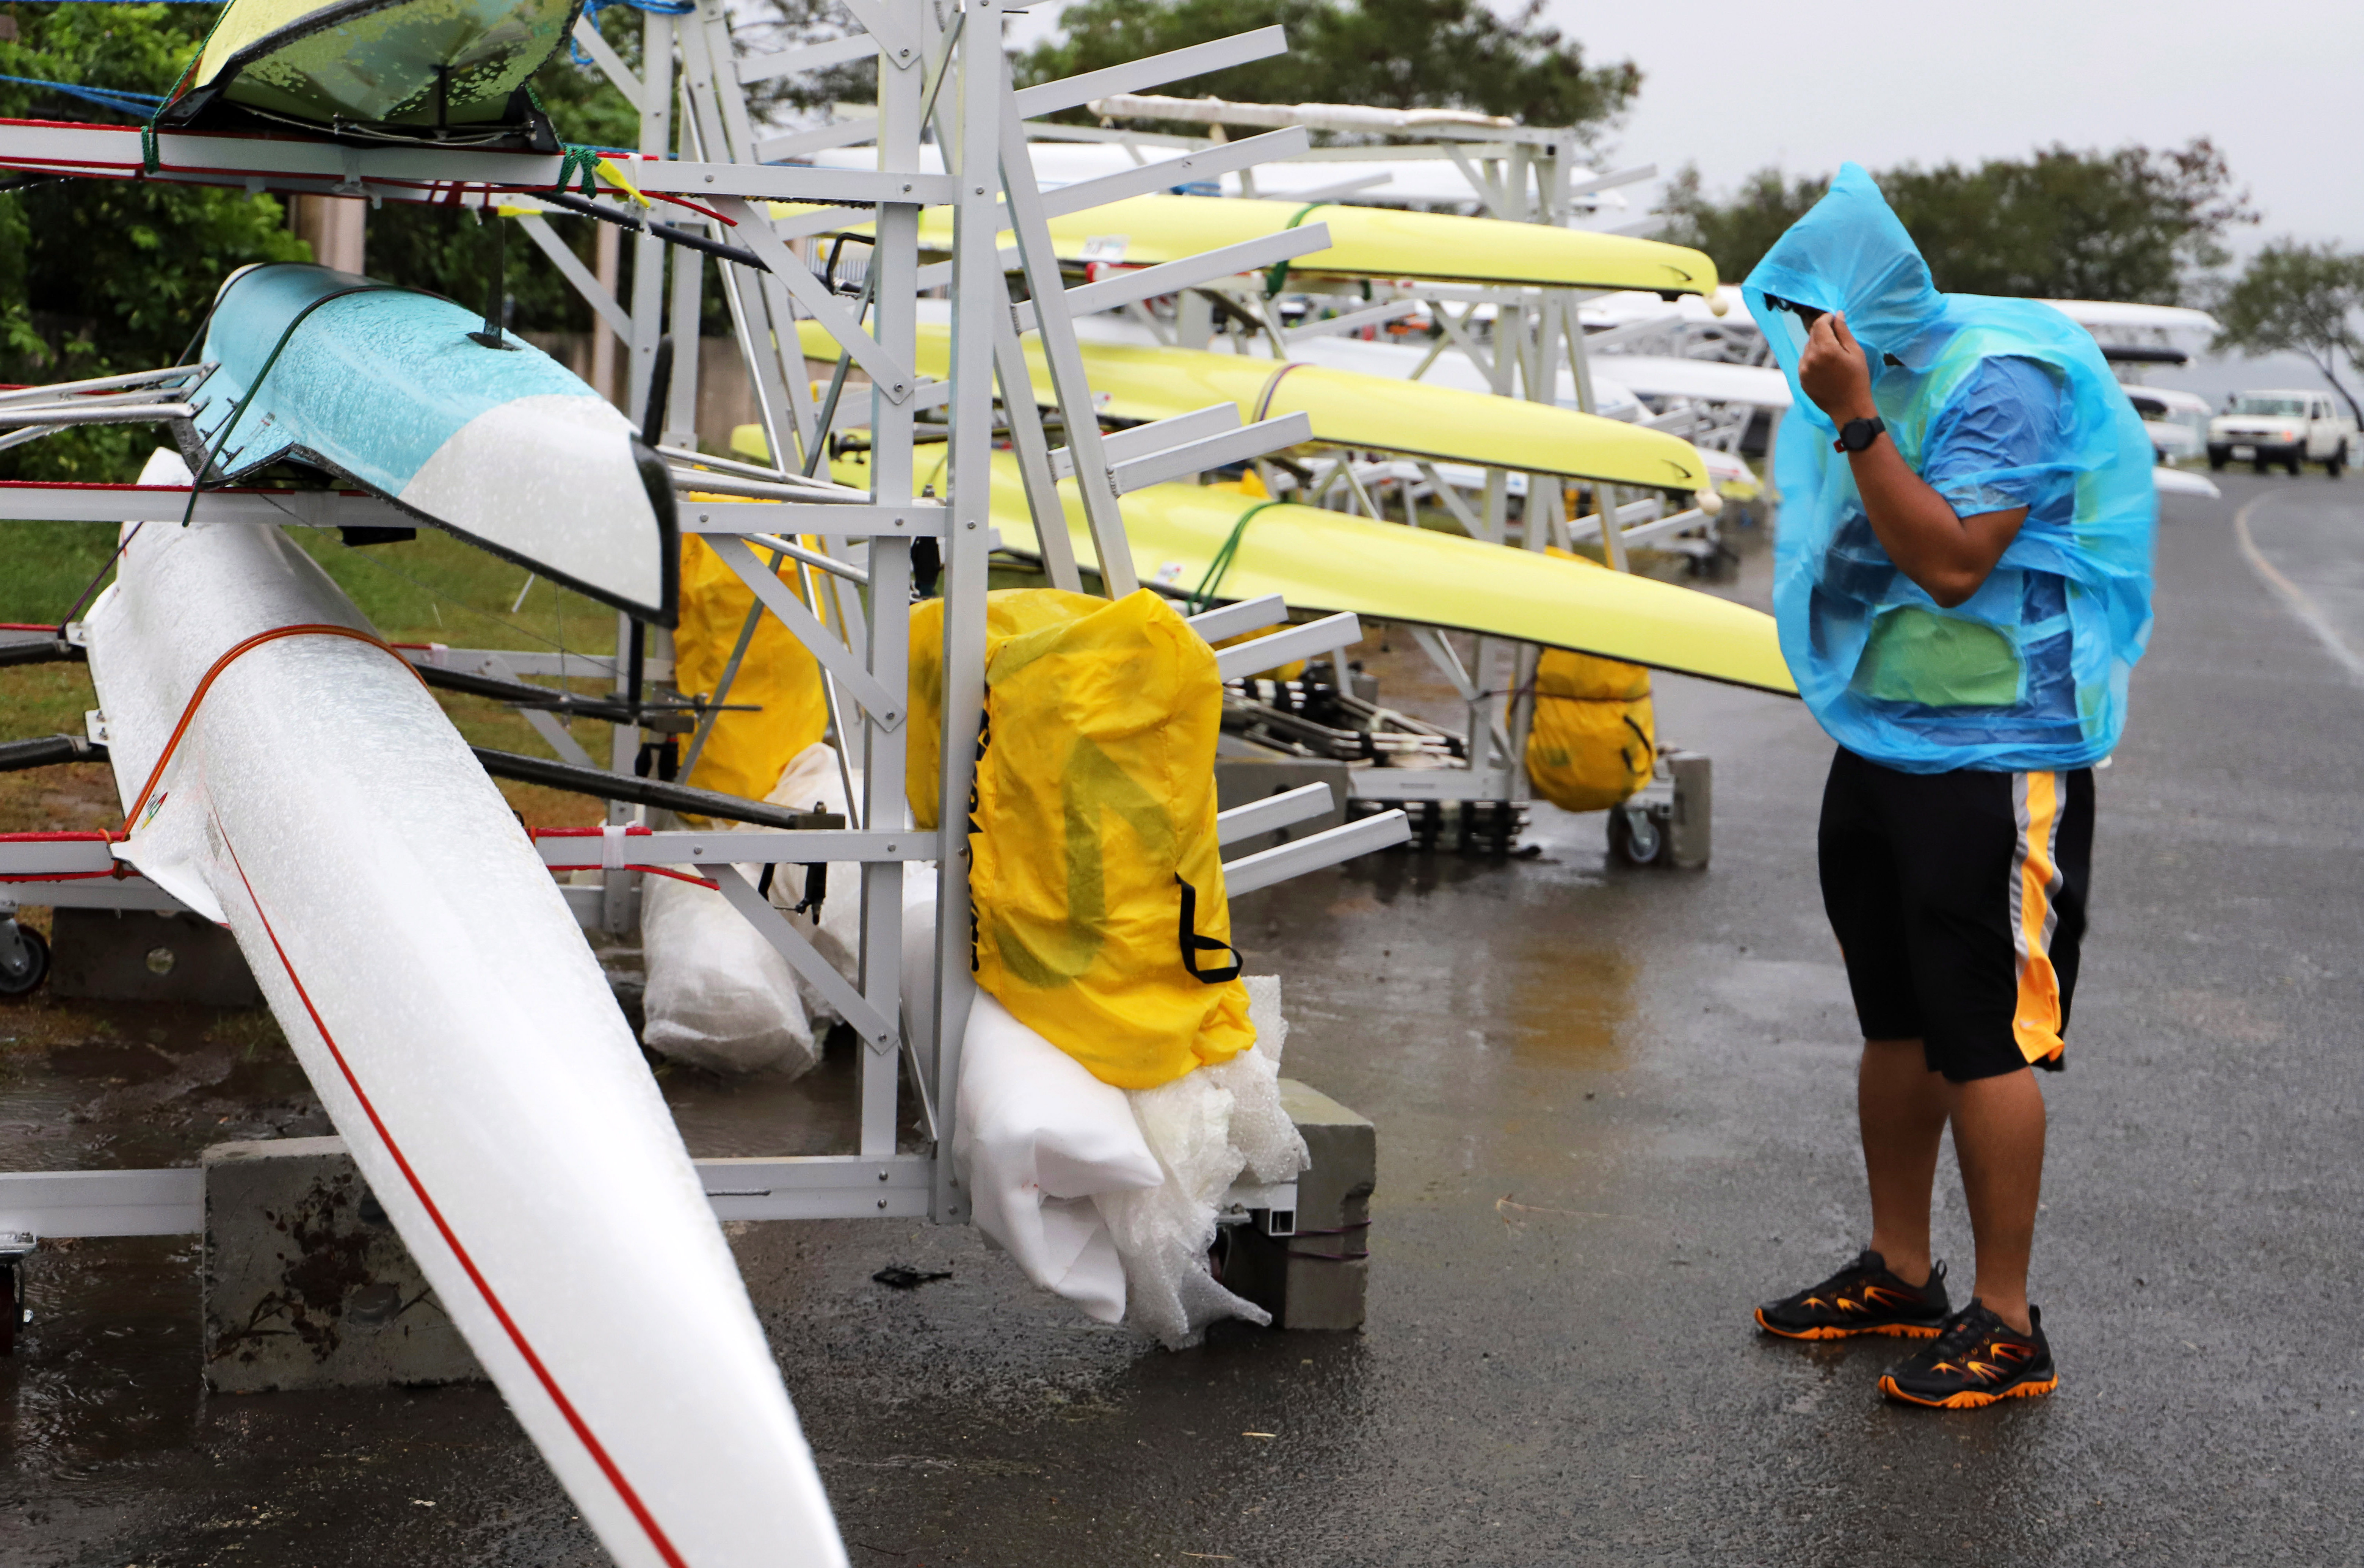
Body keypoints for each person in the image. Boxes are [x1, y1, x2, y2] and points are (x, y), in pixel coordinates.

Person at [1739, 166, 2156, 1409]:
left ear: (1863, 302)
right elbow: (1856, 550)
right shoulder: (1879, 377)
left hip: (1999, 749)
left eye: (1817, 315)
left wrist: (1859, 420)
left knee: (1982, 1031)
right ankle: (1899, 1271)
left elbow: (1957, 562)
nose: (1806, 343)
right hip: (1884, 739)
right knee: (1894, 1017)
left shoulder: (1993, 378)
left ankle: (2009, 1320)